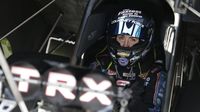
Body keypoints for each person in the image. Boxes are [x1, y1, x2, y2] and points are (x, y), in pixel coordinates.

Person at [84, 8, 166, 112]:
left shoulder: (154, 72)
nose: (125, 45)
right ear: (113, 37)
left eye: (133, 39)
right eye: (121, 37)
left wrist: (134, 103)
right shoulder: (99, 64)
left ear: (144, 40)